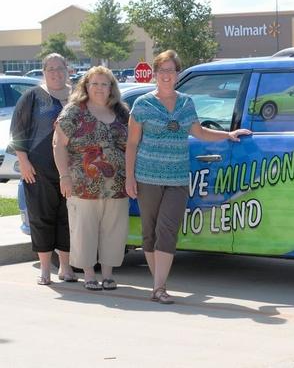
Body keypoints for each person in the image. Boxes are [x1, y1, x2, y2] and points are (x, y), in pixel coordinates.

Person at [125, 50, 251, 304]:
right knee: (149, 233)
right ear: (154, 74)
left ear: (177, 73)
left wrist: (228, 135)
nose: (166, 76)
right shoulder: (142, 105)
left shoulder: (186, 103)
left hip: (178, 179)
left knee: (167, 229)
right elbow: (132, 143)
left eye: (171, 71)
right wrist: (129, 177)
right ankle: (158, 284)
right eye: (162, 71)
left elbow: (199, 132)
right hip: (147, 176)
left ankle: (159, 287)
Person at [52, 66, 130, 291]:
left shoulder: (122, 112)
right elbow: (58, 145)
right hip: (82, 185)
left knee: (113, 231)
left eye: (104, 84)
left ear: (111, 88)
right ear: (86, 86)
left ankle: (107, 276)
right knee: (84, 230)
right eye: (94, 83)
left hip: (117, 186)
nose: (99, 88)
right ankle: (88, 275)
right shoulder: (74, 111)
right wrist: (64, 176)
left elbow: (132, 145)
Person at [9, 53, 76, 285]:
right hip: (38, 170)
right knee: (41, 217)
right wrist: (24, 161)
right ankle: (45, 269)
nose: (56, 73)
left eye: (60, 68)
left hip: (72, 169)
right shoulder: (33, 97)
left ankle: (65, 268)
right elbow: (17, 131)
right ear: (44, 71)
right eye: (51, 69)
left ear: (67, 69)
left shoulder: (77, 96)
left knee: (67, 218)